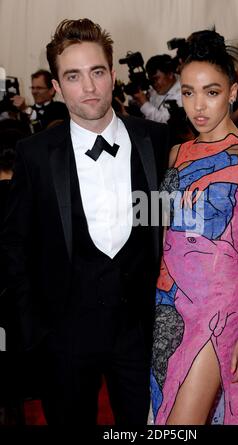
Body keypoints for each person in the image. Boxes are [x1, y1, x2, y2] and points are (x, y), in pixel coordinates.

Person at [0, 18, 169, 426]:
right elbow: (14, 244)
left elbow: (169, 225)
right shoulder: (35, 154)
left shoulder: (156, 141)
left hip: (140, 333)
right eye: (73, 76)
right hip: (64, 337)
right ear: (58, 87)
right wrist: (33, 330)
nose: (89, 87)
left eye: (96, 72)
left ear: (112, 75)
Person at [149, 30, 238, 425]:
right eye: (188, 92)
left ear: (233, 91)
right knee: (161, 413)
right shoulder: (175, 154)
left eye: (211, 92)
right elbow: (160, 229)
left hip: (217, 309)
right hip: (167, 303)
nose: (198, 105)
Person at [133, 54, 182, 123]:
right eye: (151, 80)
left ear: (170, 74)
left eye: (156, 78)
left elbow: (165, 122)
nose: (154, 84)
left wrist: (144, 103)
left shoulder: (182, 93)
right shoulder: (159, 88)